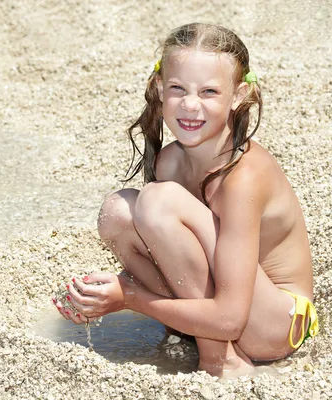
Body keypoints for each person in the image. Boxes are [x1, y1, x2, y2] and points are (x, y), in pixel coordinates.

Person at [53, 22, 318, 378]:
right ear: (161, 89)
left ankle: (221, 362)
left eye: (209, 91)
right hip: (229, 309)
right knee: (118, 211)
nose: (190, 105)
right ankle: (190, 332)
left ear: (238, 95)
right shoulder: (171, 161)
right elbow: (179, 255)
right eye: (178, 88)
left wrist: (130, 297)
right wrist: (98, 294)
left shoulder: (244, 177)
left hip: (277, 325)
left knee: (158, 202)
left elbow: (229, 317)